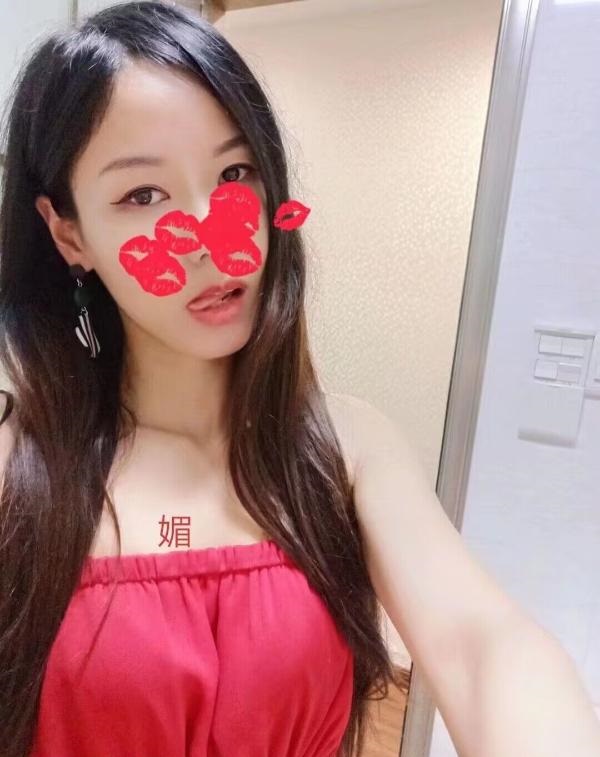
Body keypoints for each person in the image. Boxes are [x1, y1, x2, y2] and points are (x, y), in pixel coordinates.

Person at [0, 3, 598, 757]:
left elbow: (482, 644)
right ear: (69, 234)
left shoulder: (344, 445)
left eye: (235, 173)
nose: (214, 239)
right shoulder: (20, 465)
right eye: (142, 195)